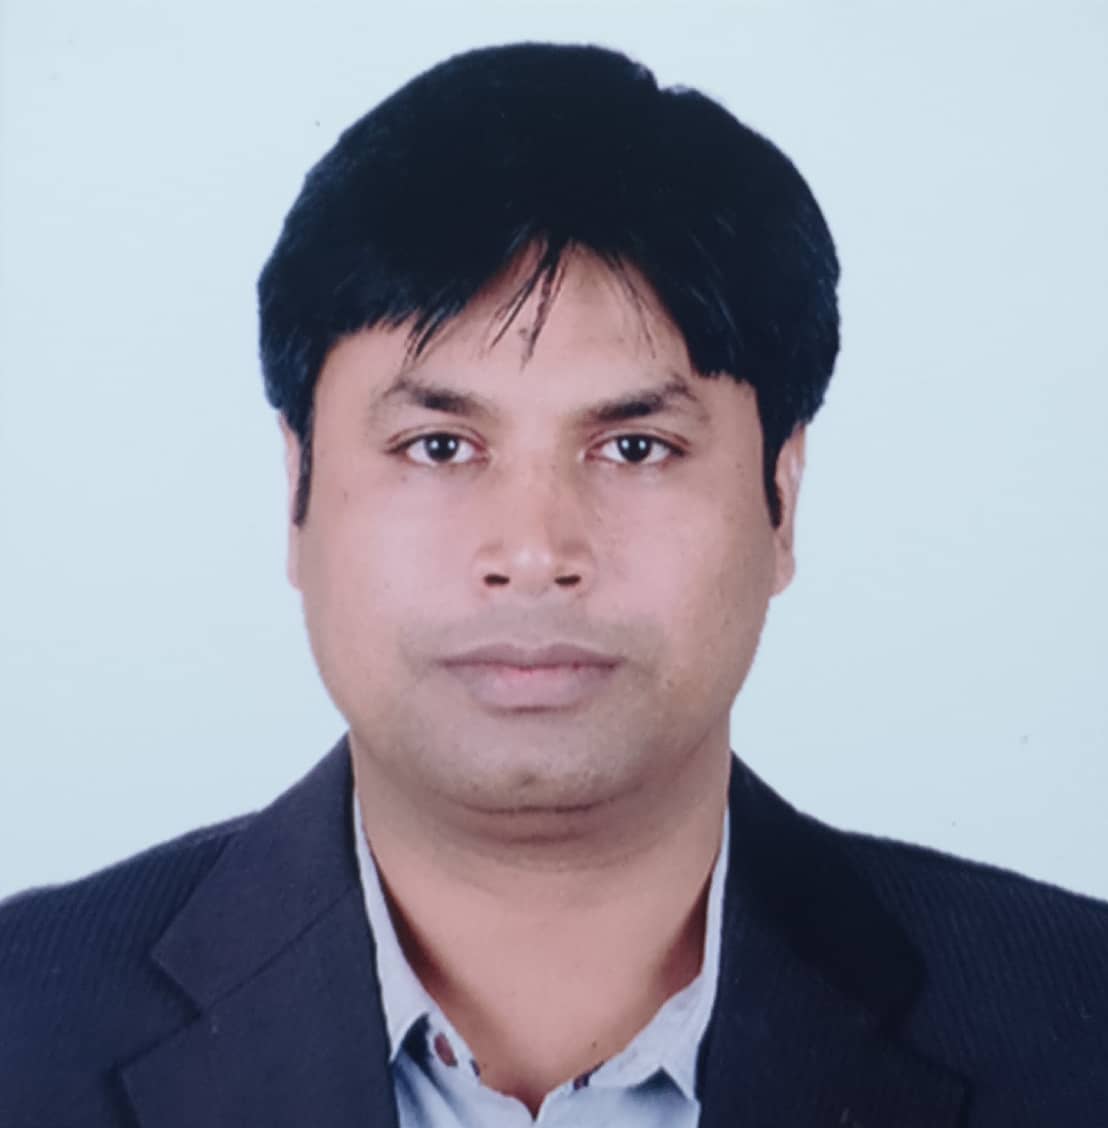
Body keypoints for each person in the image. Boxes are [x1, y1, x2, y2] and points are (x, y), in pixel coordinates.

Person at [1, 40, 1105, 1128]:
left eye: (635, 448)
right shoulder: (25, 1022)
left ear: (781, 498)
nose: (533, 552)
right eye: (439, 446)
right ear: (298, 490)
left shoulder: (1074, 1022)